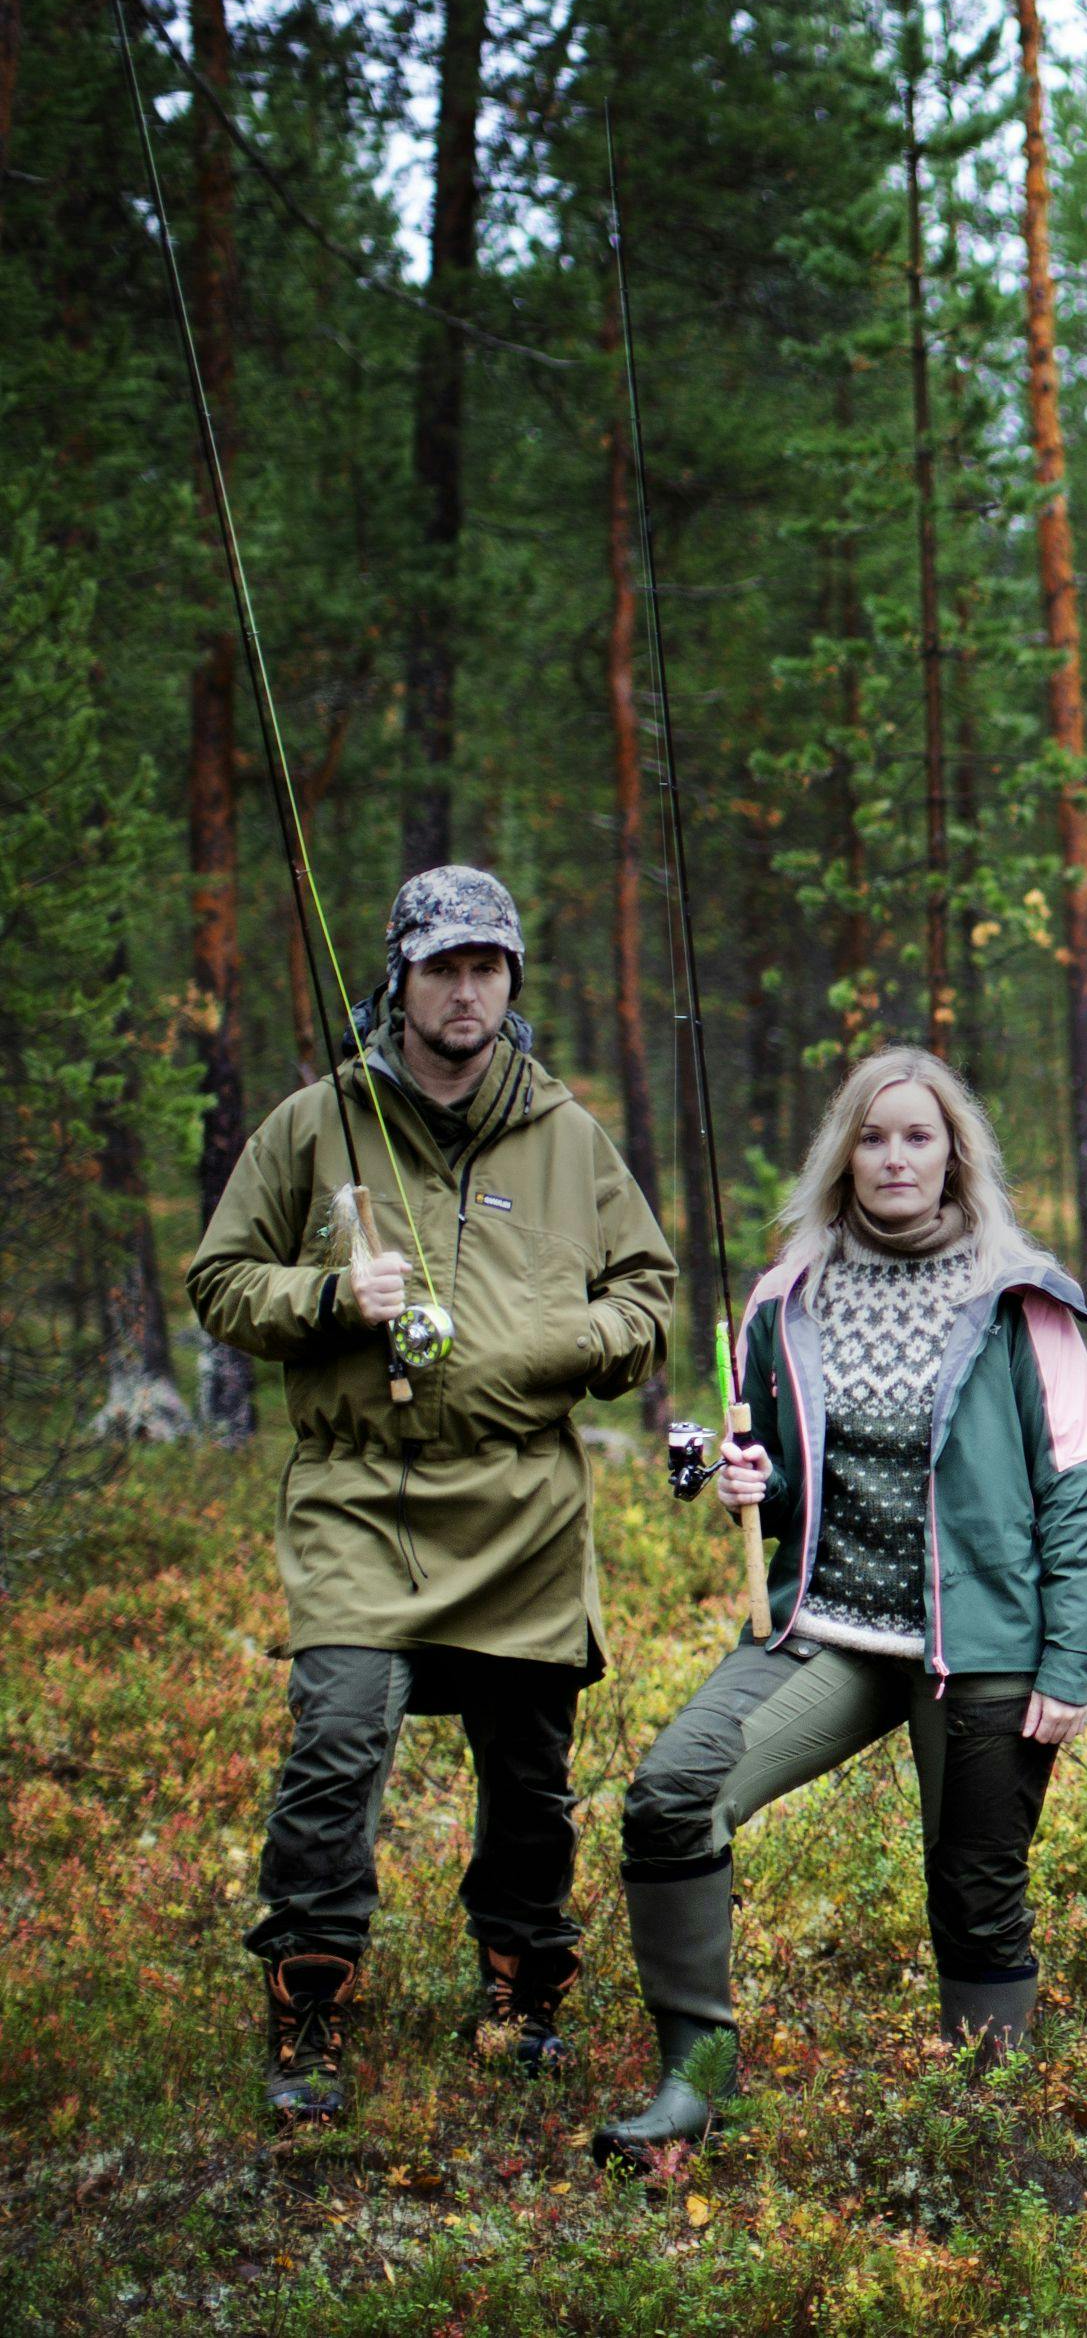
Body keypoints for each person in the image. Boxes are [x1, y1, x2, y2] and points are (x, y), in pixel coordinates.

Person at [186, 866, 677, 2122]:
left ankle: (523, 1986)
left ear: (512, 983)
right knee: (338, 1737)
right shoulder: (313, 1124)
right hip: (358, 1493)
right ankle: (309, 1997)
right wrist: (326, 1300)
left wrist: (551, 1349)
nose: (466, 991)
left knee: (529, 1767)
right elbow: (221, 1280)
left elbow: (646, 1298)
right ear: (397, 981)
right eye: (442, 968)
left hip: (522, 1501)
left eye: (487, 968)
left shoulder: (571, 1136)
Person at [590, 1048, 1087, 2168]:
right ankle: (695, 2077)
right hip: (824, 1629)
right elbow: (774, 1477)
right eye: (873, 1137)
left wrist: (1068, 1663)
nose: (895, 1158)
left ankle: (987, 2124)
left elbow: (1074, 1493)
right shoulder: (786, 1296)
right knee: (673, 1795)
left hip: (980, 1645)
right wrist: (742, 1480)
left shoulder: (1024, 1299)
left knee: (975, 1890)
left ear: (955, 1154)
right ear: (845, 1155)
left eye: (918, 1136)